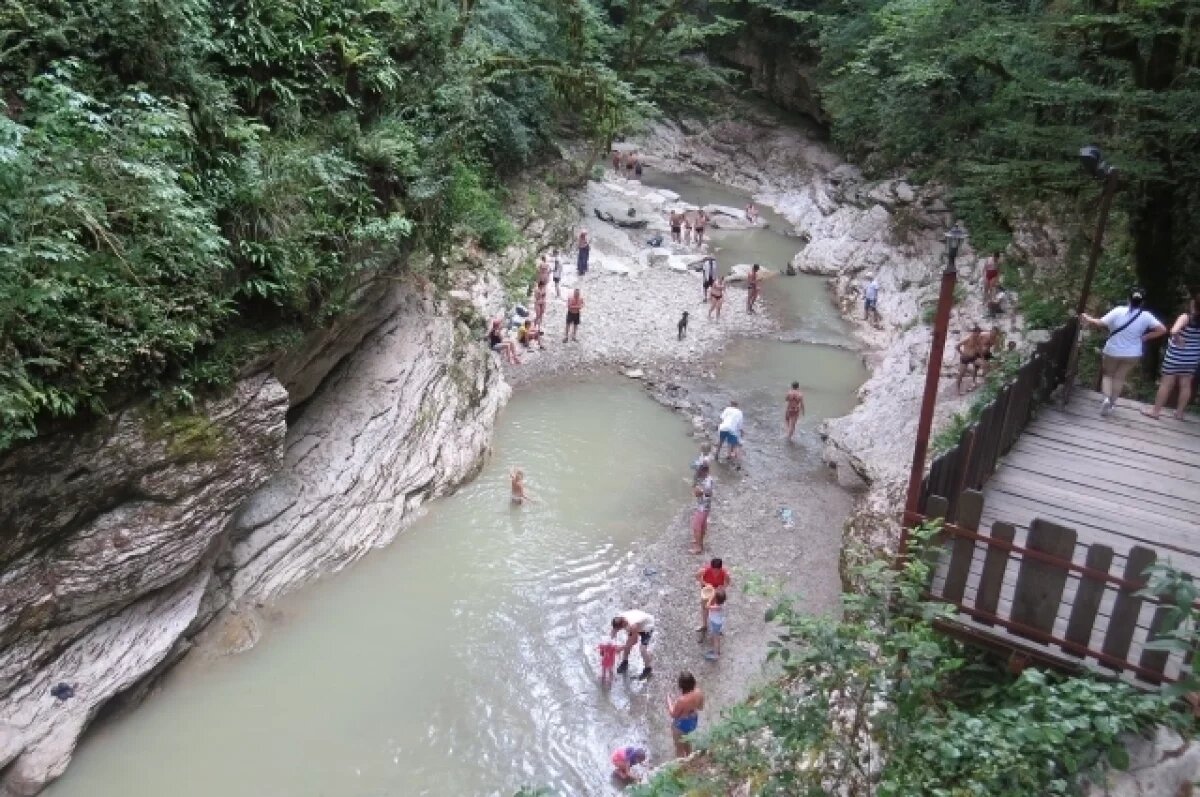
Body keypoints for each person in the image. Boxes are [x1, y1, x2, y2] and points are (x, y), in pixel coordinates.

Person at [1081, 288, 1167, 416]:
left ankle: (1105, 399)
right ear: (1142, 302)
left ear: (1128, 299)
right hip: (1132, 353)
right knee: (1120, 377)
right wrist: (1146, 337)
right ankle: (1112, 404)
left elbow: (1100, 323)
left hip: (1113, 350)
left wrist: (1088, 318)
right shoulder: (1146, 316)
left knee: (1108, 375)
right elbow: (1162, 329)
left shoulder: (1118, 311)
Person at [1143, 295, 1200, 420]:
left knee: (1166, 384)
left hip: (1176, 356)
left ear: (1193, 304)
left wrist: (1178, 339)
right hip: (1193, 358)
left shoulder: (1186, 317)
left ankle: (1155, 412)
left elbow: (1174, 331)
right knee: (1186, 385)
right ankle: (1179, 413)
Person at [666, 671, 704, 757]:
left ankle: (681, 764)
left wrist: (669, 702)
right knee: (687, 741)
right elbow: (701, 708)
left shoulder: (681, 700)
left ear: (681, 685)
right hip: (693, 721)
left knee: (679, 748)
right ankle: (690, 757)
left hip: (680, 725)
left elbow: (673, 715)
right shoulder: (699, 692)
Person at [611, 609, 655, 679]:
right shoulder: (620, 618)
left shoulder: (632, 625)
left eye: (620, 628)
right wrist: (611, 643)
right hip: (639, 621)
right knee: (628, 643)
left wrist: (621, 648)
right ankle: (624, 662)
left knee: (642, 649)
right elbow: (614, 631)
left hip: (647, 627)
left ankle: (648, 669)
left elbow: (634, 641)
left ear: (623, 624)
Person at [696, 558, 731, 634]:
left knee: (717, 610)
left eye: (717, 570)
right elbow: (697, 576)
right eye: (713, 569)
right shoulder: (705, 569)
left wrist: (722, 588)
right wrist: (705, 584)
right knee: (705, 608)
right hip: (707, 592)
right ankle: (704, 625)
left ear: (720, 568)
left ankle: (717, 627)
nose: (715, 571)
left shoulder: (724, 572)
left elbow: (728, 582)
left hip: (717, 593)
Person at [955, 326, 986, 395]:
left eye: (979, 334)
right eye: (976, 333)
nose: (977, 335)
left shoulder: (978, 340)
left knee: (983, 364)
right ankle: (958, 390)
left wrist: (983, 358)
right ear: (973, 332)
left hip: (973, 357)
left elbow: (980, 350)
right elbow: (957, 346)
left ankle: (975, 381)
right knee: (961, 374)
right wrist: (961, 353)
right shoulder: (968, 339)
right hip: (965, 357)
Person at [714, 400, 744, 465]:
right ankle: (729, 457)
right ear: (737, 405)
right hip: (732, 430)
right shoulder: (740, 412)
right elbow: (740, 425)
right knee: (730, 443)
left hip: (723, 427)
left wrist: (717, 425)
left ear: (731, 404)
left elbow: (721, 419)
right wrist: (741, 431)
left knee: (721, 441)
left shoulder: (727, 409)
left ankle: (716, 454)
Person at [690, 470, 713, 554]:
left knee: (697, 527)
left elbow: (697, 493)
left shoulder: (705, 484)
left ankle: (698, 547)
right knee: (702, 526)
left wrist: (696, 489)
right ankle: (700, 543)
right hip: (706, 507)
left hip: (701, 508)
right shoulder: (709, 479)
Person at [704, 590, 727, 661]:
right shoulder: (722, 605)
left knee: (715, 639)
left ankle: (715, 655)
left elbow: (707, 606)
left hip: (715, 624)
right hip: (718, 623)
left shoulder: (717, 607)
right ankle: (717, 651)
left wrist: (710, 598)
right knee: (717, 638)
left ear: (716, 599)